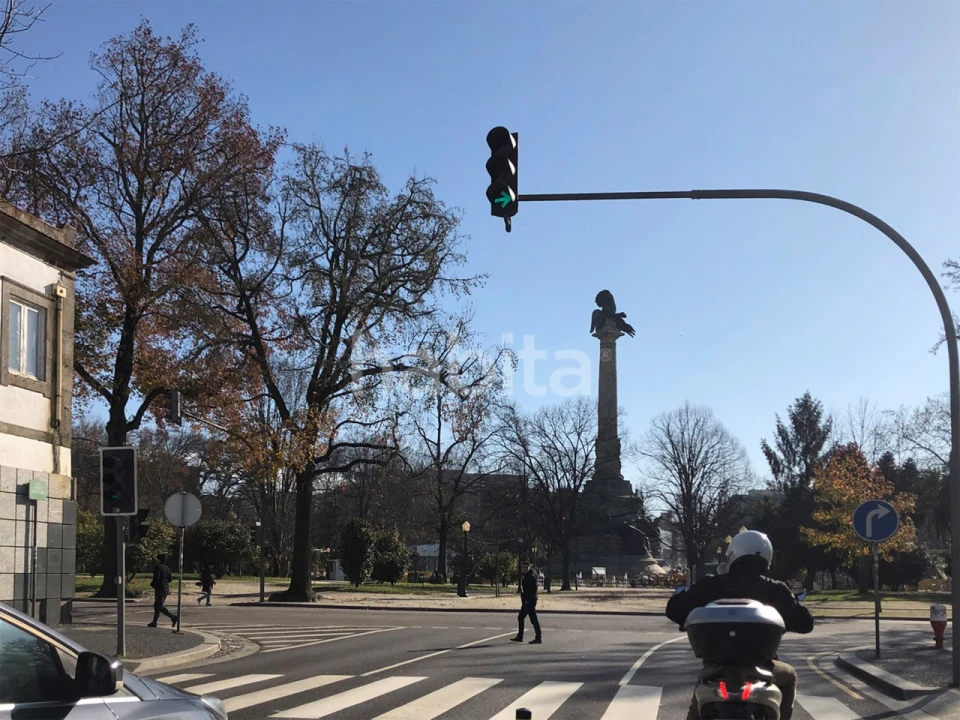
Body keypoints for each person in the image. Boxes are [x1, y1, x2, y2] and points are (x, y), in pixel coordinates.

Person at [666, 531, 814, 720]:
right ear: (766, 556)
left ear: (733, 554)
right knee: (790, 675)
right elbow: (806, 623)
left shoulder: (710, 585)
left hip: (716, 670)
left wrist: (689, 619)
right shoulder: (775, 589)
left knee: (700, 698)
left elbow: (673, 609)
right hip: (761, 669)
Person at [511, 562, 542, 644]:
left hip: (529, 601)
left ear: (529, 567)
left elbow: (532, 590)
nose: (524, 569)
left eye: (526, 567)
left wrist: (527, 600)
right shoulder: (531, 574)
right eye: (523, 567)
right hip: (529, 600)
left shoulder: (530, 577)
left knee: (530, 619)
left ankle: (537, 637)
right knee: (525, 618)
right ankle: (522, 636)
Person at [148, 554, 178, 628]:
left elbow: (156, 578)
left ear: (159, 559)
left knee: (159, 606)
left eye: (157, 558)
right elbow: (170, 579)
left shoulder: (157, 567)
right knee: (157, 605)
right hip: (166, 587)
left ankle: (173, 617)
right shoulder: (167, 568)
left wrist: (153, 584)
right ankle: (154, 621)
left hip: (159, 588)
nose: (156, 560)